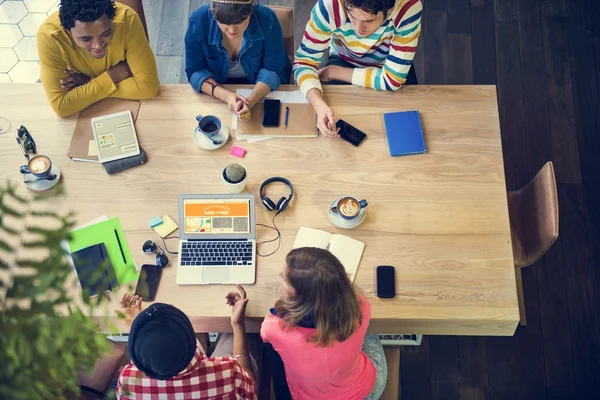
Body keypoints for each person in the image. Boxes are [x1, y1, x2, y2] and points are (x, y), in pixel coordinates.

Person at [260, 247, 387, 400]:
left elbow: (265, 336)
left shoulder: (276, 328)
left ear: (301, 299)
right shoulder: (361, 305)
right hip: (366, 392)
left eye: (285, 280)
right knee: (371, 332)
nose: (281, 275)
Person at [294, 0, 423, 137]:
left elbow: (392, 80)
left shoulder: (408, 7)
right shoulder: (330, 5)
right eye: (352, 16)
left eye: (368, 21)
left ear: (390, 10)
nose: (358, 28)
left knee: (408, 131)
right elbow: (303, 62)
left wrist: (332, 72)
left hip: (388, 63)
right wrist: (319, 105)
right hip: (344, 59)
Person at [116, 287, 259, 399]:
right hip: (229, 378)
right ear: (191, 343)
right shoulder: (229, 371)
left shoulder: (127, 380)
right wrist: (238, 325)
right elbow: (251, 390)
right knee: (237, 336)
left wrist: (137, 328)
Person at [37, 0, 159, 118]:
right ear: (68, 32)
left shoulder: (128, 19)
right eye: (86, 39)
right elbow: (61, 106)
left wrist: (88, 83)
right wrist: (116, 74)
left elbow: (148, 88)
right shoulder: (49, 37)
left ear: (112, 21)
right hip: (124, 90)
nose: (98, 45)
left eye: (106, 34)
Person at [185, 0, 291, 117]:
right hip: (217, 87)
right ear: (213, 12)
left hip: (259, 86)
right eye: (223, 22)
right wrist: (227, 96)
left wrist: (249, 101)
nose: (231, 30)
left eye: (240, 22)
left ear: (251, 10)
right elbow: (195, 71)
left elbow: (273, 69)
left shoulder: (267, 19)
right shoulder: (198, 21)